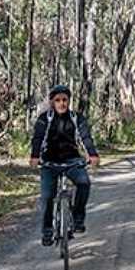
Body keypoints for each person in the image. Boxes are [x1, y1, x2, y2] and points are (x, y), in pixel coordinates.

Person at [30, 84, 100, 246]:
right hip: (49, 162)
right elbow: (38, 138)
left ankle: (78, 219)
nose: (61, 103)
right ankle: (47, 230)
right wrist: (34, 156)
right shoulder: (44, 119)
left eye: (64, 100)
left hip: (72, 161)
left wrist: (93, 154)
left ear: (69, 101)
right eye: (57, 100)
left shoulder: (77, 118)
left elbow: (86, 137)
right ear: (52, 102)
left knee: (84, 183)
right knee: (47, 197)